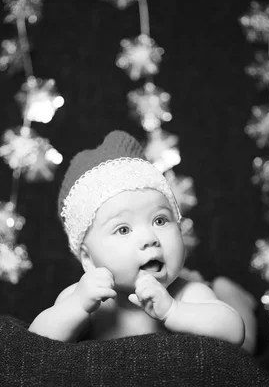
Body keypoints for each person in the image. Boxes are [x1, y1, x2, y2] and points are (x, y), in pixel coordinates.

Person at [29, 130, 253, 349]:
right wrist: (77, 305)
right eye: (124, 229)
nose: (150, 238)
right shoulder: (85, 300)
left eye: (160, 221)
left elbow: (234, 332)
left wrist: (173, 311)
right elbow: (34, 345)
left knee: (248, 347)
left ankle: (232, 295)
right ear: (88, 259)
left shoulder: (186, 293)